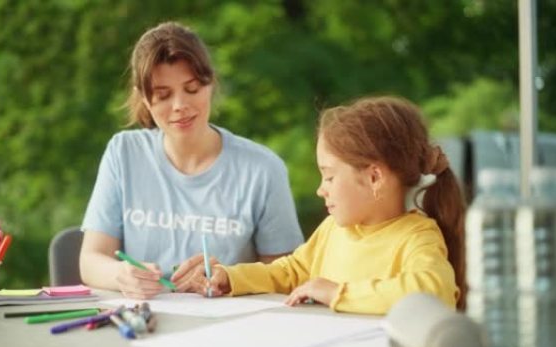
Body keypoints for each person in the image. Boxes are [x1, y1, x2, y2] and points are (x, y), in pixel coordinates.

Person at [173, 96, 467, 315]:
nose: (320, 189)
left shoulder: (416, 236)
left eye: (329, 176)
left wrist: (338, 293)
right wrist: (231, 278)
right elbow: (290, 271)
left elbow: (433, 291)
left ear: (375, 177)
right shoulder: (333, 231)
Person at [79, 21, 304, 299]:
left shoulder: (263, 169)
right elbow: (91, 260)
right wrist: (121, 275)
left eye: (193, 89)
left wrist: (230, 277)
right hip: (144, 322)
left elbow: (288, 274)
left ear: (210, 85)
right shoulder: (123, 153)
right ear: (144, 99)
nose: (179, 106)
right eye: (163, 95)